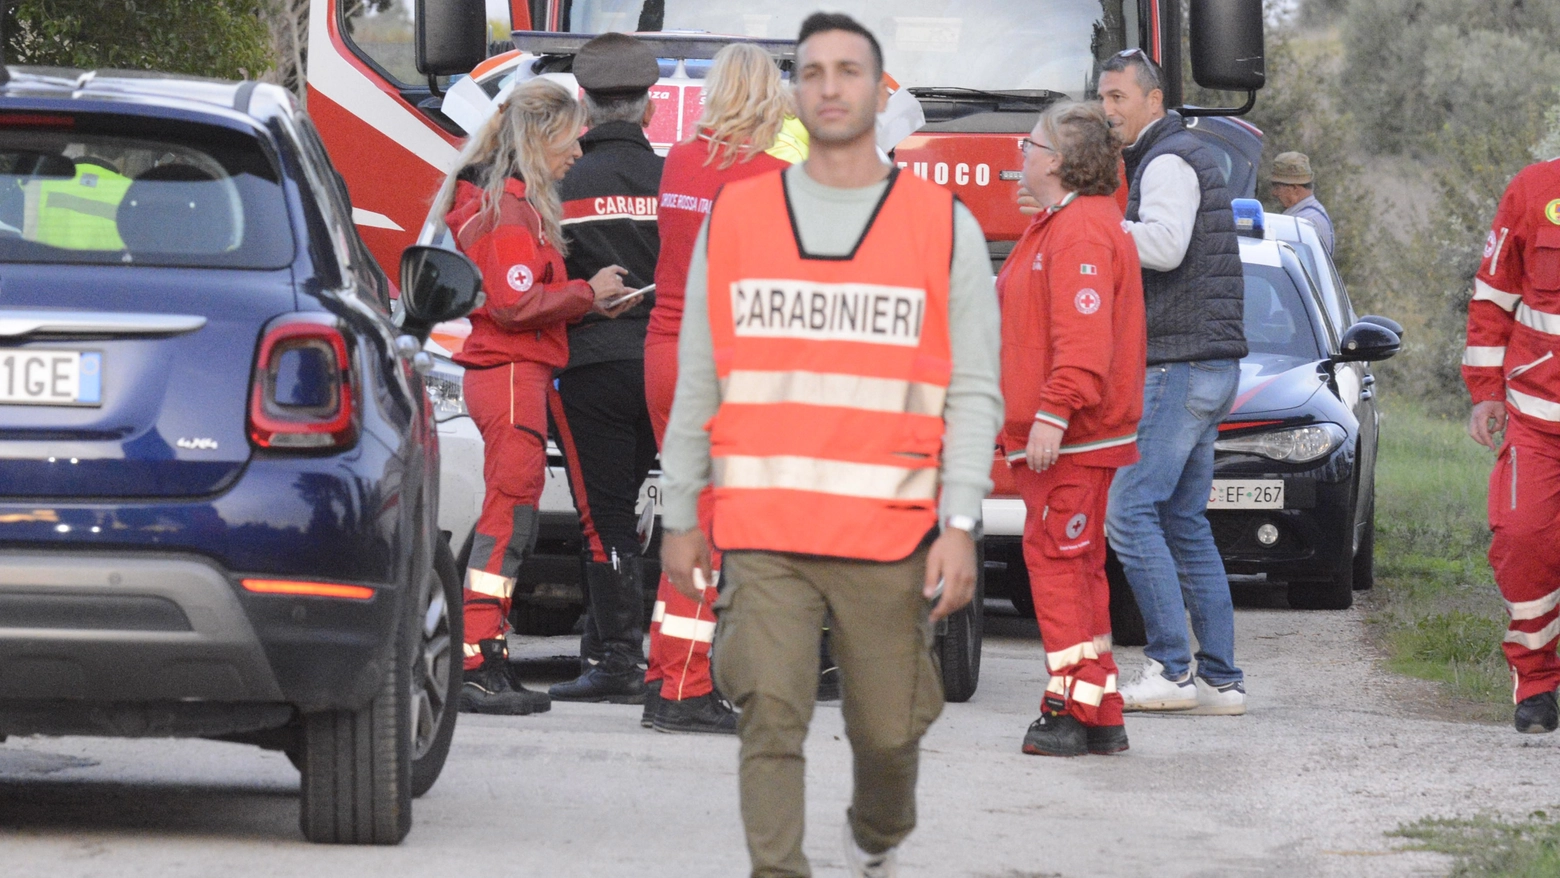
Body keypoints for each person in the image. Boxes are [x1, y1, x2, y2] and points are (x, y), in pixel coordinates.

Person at [658, 13, 1002, 877]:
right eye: (814, 72)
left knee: (888, 731)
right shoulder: (739, 217)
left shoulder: (940, 225)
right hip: (764, 531)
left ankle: (876, 834)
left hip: (887, 533)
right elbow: (701, 372)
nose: (831, 86)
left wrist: (960, 522)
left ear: (878, 91)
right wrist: (679, 509)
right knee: (769, 710)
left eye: (850, 71)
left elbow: (973, 390)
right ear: (794, 95)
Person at [432, 79, 630, 714]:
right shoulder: (508, 212)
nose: (578, 152)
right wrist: (585, 294)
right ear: (540, 138)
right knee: (508, 518)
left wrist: (586, 304)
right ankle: (478, 654)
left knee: (509, 516)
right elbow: (516, 303)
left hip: (515, 373)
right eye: (571, 140)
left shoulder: (506, 205)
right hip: (514, 374)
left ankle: (483, 653)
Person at [641, 41, 807, 735]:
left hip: (663, 349)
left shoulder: (678, 159)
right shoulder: (773, 178)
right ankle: (682, 687)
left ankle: (666, 674)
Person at [1096, 48, 1249, 715]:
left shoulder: (1165, 160)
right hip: (1207, 364)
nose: (1107, 112)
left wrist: (1098, 231)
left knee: (1128, 512)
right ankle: (1220, 680)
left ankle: (1169, 669)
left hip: (1177, 365)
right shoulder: (1182, 155)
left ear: (1153, 101)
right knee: (1184, 521)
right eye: (1101, 99)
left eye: (1117, 99)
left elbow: (1162, 246)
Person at [998, 101, 1146, 757]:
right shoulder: (1065, 224)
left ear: (1056, 160)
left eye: (1028, 145)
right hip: (1069, 439)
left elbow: (1083, 347)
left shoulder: (1079, 232)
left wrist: (1053, 413)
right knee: (1078, 576)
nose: (1019, 155)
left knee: (1060, 576)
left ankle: (1064, 709)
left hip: (1072, 440)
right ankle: (1099, 709)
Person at [544, 32, 666, 705]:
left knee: (606, 515)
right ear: (648, 107)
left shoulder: (559, 182)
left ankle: (616, 654)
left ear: (584, 107)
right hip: (667, 367)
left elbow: (537, 277)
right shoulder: (675, 180)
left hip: (589, 365)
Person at [1463, 155, 1560, 734]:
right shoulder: (1533, 189)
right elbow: (1494, 295)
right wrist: (1485, 391)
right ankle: (1537, 685)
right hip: (1535, 418)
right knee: (1523, 541)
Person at [1269, 151, 1334, 255]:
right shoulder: (1313, 213)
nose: (1274, 193)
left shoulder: (1303, 223)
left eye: (1278, 187)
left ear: (1294, 188)